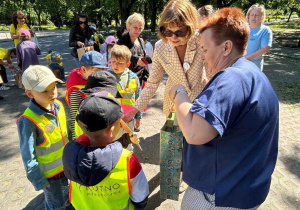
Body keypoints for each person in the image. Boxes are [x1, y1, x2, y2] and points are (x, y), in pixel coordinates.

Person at [168, 8, 278, 209]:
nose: (202, 56)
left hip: (219, 195)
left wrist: (179, 94)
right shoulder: (250, 73)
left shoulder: (230, 79)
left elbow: (194, 133)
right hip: (243, 188)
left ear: (226, 47)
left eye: (204, 49)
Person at [62, 93, 149, 210]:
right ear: (111, 131)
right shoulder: (128, 160)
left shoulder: (69, 154)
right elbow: (140, 196)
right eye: (120, 122)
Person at [17, 65, 70, 210]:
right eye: (45, 91)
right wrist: (39, 181)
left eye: (53, 87)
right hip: (49, 177)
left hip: (66, 167)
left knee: (68, 197)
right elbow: (28, 155)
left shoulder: (57, 105)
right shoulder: (27, 121)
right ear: (29, 94)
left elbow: (66, 133)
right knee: (55, 205)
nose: (52, 93)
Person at [65, 51, 108, 140]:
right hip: (85, 134)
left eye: (103, 71)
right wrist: (75, 140)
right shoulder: (77, 91)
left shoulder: (94, 81)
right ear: (84, 69)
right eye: (96, 71)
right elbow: (74, 118)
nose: (100, 75)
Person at [108, 45, 142, 142]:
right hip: (112, 120)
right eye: (113, 61)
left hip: (129, 119)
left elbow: (138, 98)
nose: (115, 65)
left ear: (127, 64)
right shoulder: (106, 76)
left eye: (120, 63)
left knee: (128, 142)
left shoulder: (134, 78)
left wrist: (138, 116)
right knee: (112, 143)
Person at [117, 13, 151, 86]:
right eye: (135, 28)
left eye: (140, 28)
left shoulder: (141, 41)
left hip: (140, 80)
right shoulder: (122, 41)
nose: (138, 31)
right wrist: (136, 59)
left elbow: (143, 60)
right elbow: (121, 55)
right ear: (128, 25)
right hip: (126, 81)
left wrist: (147, 75)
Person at [245, 4, 273, 71]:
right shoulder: (244, 29)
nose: (253, 17)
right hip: (241, 65)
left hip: (254, 67)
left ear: (261, 17)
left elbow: (265, 49)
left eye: (256, 15)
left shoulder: (265, 30)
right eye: (252, 15)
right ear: (248, 16)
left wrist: (247, 58)